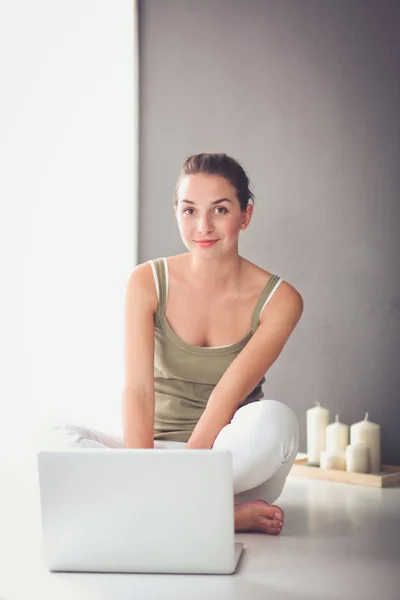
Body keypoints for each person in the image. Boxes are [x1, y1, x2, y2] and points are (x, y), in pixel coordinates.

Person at [48, 153, 304, 536]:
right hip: (153, 452)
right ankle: (217, 517)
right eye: (189, 210)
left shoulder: (281, 300)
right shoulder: (146, 281)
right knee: (53, 437)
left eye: (220, 209)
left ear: (245, 215)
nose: (203, 226)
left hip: (229, 461)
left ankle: (148, 507)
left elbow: (228, 394)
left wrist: (182, 471)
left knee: (277, 423)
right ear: (177, 213)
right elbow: (137, 389)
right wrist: (147, 470)